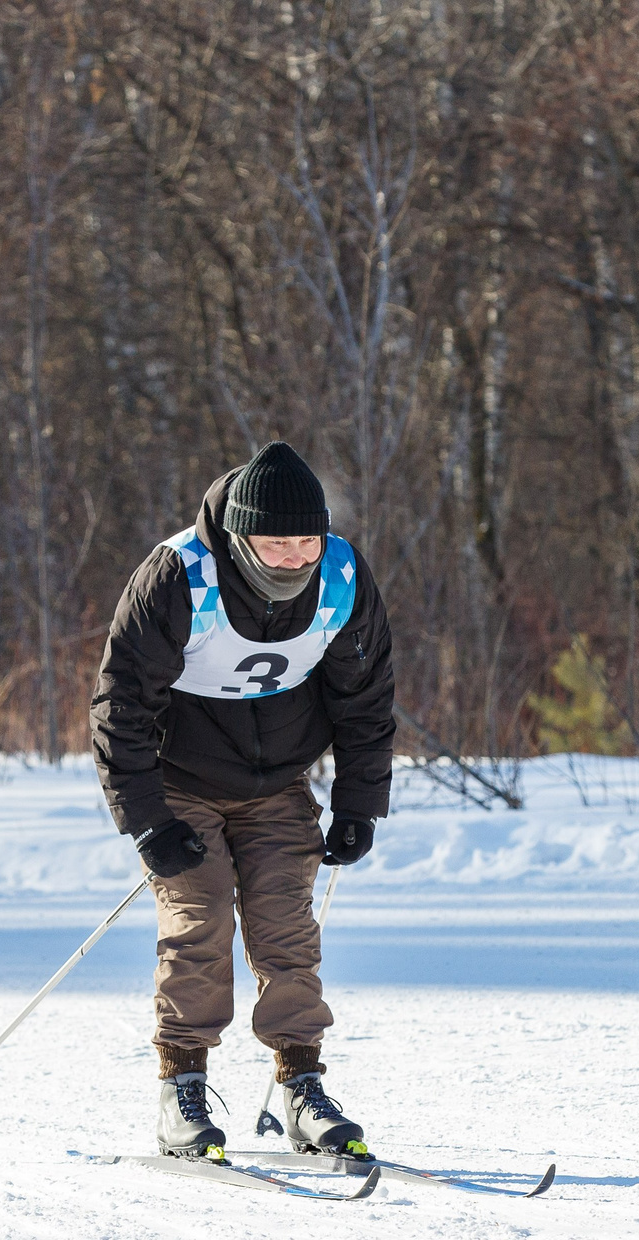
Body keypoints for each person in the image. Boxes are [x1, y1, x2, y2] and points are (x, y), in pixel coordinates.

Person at [91, 441, 396, 1160]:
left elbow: (366, 697)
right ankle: (182, 1089)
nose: (294, 557)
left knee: (287, 930)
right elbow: (120, 705)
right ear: (238, 536)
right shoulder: (177, 578)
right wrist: (147, 822)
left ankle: (302, 1086)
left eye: (306, 541)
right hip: (179, 785)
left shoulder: (342, 579)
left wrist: (358, 802)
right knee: (199, 924)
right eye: (275, 542)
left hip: (278, 785)